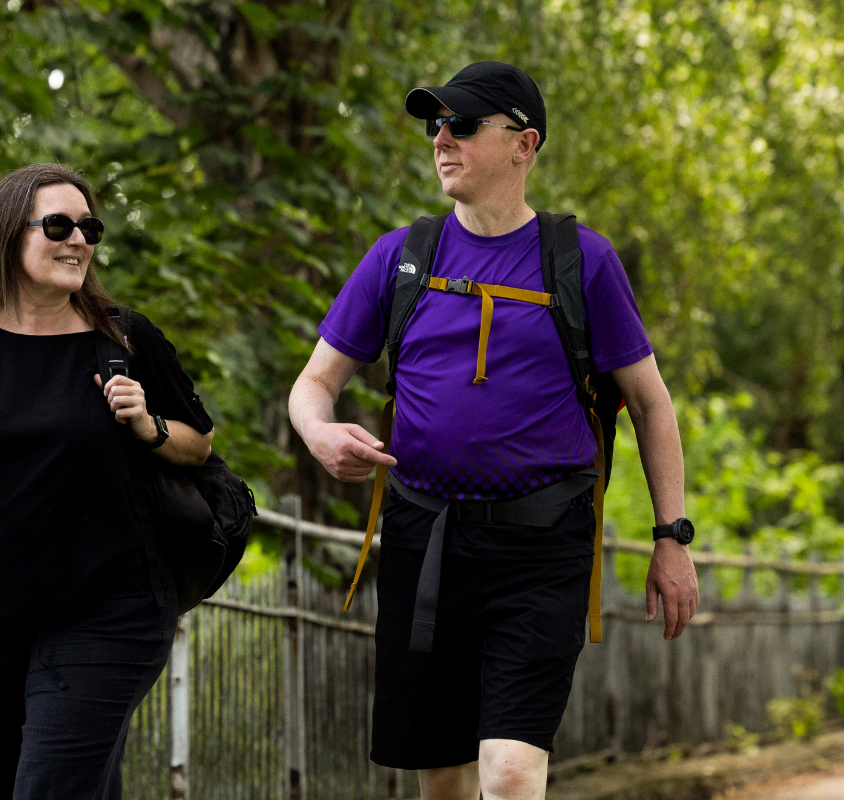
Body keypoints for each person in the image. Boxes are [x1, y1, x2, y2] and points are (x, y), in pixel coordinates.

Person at [288, 62, 699, 800]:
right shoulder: (399, 257)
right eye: (434, 124)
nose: (442, 139)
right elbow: (313, 385)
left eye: (464, 124)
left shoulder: (581, 261)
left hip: (543, 545)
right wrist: (319, 432)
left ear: (524, 144)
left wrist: (672, 535)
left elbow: (650, 403)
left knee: (509, 774)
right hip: (424, 539)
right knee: (442, 780)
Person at [0, 163, 215, 800]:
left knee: (50, 789)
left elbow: (200, 445)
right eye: (58, 224)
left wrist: (148, 425)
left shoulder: (125, 336)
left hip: (109, 606)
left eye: (89, 227)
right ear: (6, 236)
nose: (78, 238)